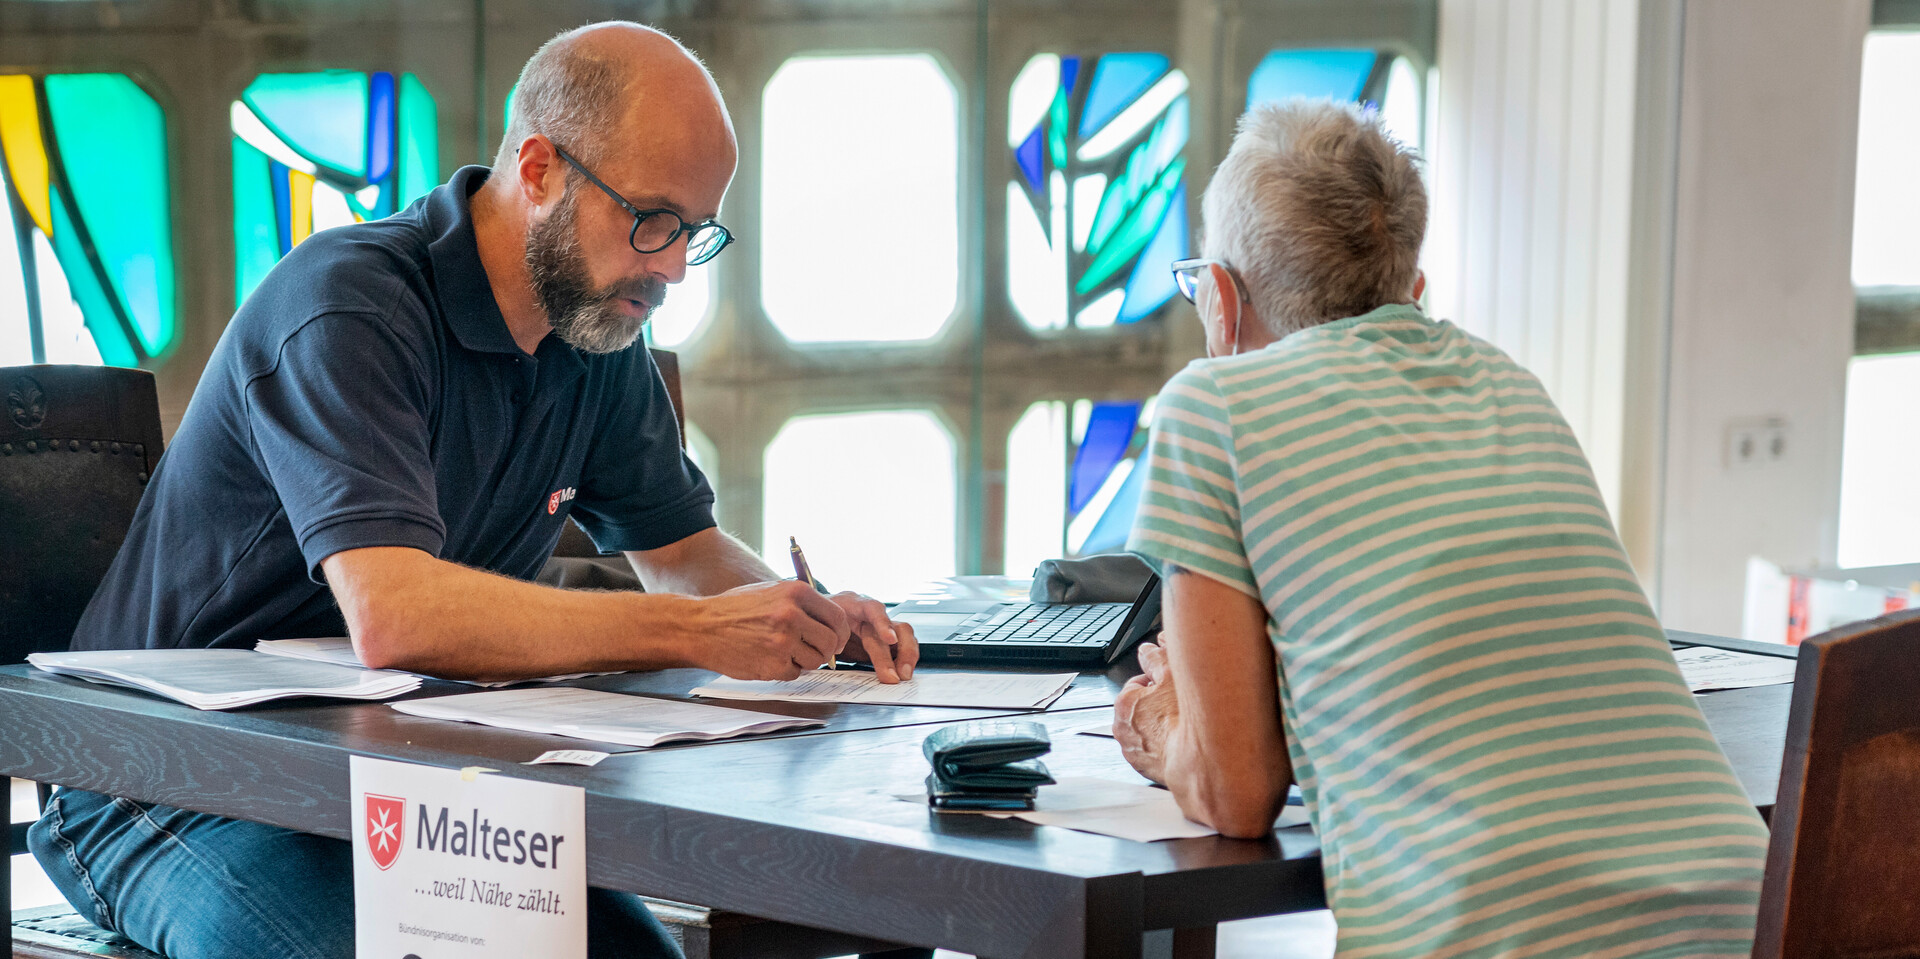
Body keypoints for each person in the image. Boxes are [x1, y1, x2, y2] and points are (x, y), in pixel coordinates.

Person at [30, 22, 916, 959]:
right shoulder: (351, 308)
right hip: (170, 785)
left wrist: (804, 622)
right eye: (651, 220)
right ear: (537, 169)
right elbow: (396, 616)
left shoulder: (598, 329)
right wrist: (702, 633)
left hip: (408, 781)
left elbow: (684, 554)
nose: (672, 268)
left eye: (696, 231)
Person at [1113, 101, 1768, 959]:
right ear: (1410, 294)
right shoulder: (1511, 385)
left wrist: (1167, 728)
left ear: (1223, 301)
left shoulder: (1214, 405)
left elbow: (1238, 794)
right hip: (1744, 916)